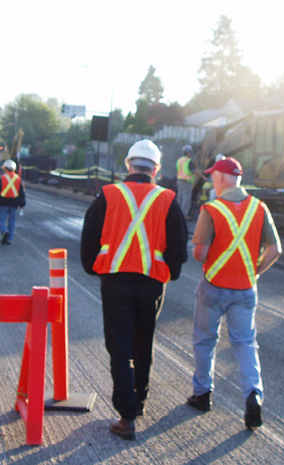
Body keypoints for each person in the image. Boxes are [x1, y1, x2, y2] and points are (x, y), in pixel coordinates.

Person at [80, 139, 188, 441]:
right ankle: (138, 401)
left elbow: (89, 238)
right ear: (155, 169)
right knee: (143, 342)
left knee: (119, 348)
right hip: (152, 283)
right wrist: (171, 273)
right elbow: (179, 247)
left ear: (128, 165)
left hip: (115, 282)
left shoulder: (108, 195)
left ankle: (126, 417)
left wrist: (93, 266)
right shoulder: (167, 199)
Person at [185, 156, 281, 429]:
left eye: (214, 176)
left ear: (224, 178)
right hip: (245, 289)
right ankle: (254, 394)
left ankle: (202, 394)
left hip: (213, 286)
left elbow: (199, 253)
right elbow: (275, 249)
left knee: (204, 340)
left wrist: (210, 254)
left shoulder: (211, 210)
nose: (212, 180)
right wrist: (255, 272)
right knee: (246, 343)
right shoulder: (260, 208)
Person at [0, 159, 26, 245]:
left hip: (3, 202)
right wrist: (22, 204)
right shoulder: (18, 179)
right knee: (12, 221)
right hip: (14, 203)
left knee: (1, 219)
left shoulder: (2, 178)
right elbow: (21, 193)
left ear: (6, 168)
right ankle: (9, 238)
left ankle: (4, 231)